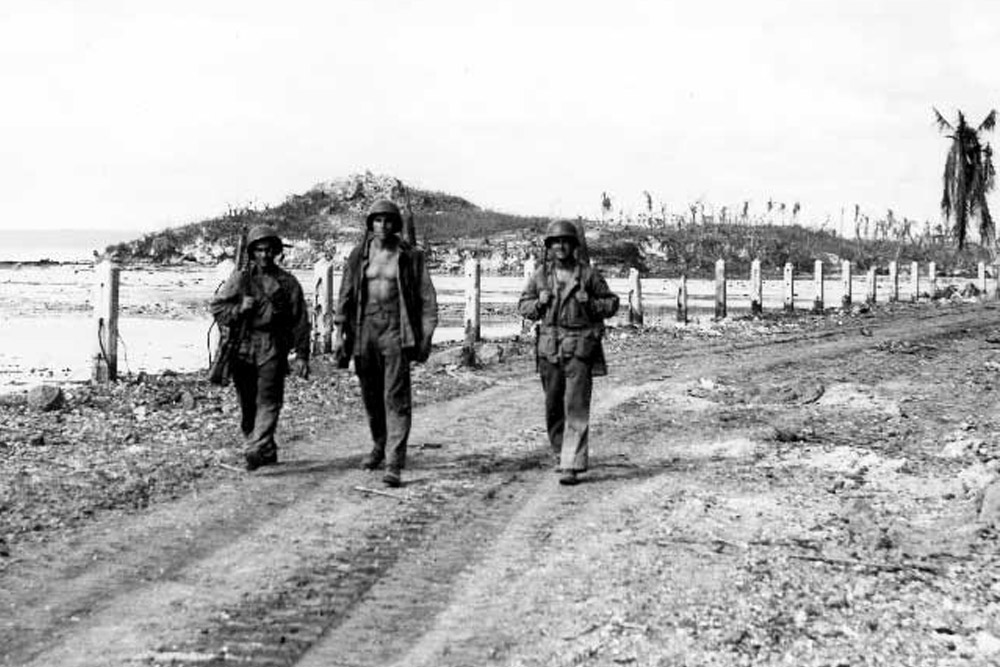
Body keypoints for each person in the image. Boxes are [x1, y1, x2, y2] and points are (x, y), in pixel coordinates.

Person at [333, 199, 438, 488]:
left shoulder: (410, 257)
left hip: (395, 330)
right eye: (377, 221)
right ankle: (379, 445)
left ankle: (394, 461)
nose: (383, 226)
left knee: (396, 396)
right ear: (370, 224)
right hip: (364, 329)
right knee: (371, 395)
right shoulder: (358, 255)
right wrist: (339, 331)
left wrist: (426, 335)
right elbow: (345, 294)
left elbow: (427, 299)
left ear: (396, 225)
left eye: (388, 221)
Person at [518, 220, 619, 485]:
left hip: (579, 347)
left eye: (565, 241)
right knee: (553, 406)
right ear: (549, 247)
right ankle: (560, 451)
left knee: (575, 406)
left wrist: (594, 304)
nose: (560, 246)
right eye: (555, 242)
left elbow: (612, 303)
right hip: (549, 348)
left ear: (573, 246)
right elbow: (523, 307)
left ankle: (571, 463)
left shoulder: (588, 275)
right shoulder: (541, 275)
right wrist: (537, 303)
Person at [210, 224, 311, 470]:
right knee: (247, 404)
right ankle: (263, 446)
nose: (264, 255)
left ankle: (255, 447)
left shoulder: (288, 283)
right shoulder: (240, 279)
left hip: (273, 346)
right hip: (242, 347)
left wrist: (301, 355)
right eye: (259, 250)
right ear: (252, 252)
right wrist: (239, 308)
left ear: (276, 252)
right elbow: (218, 309)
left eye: (269, 250)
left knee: (269, 400)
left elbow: (300, 321)